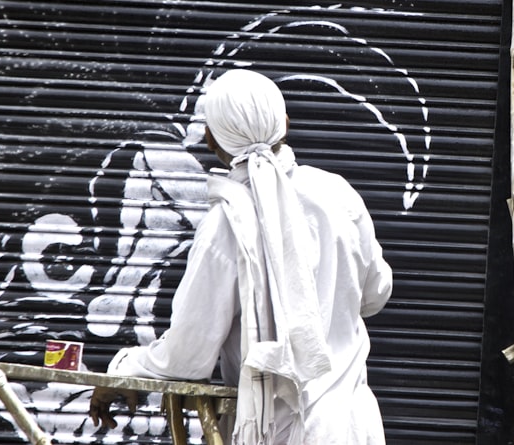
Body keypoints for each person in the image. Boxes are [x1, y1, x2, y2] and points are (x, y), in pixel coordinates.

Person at [88, 68, 393, 444]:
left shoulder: (226, 224)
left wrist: (121, 370)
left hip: (280, 432)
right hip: (353, 426)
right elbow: (375, 295)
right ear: (285, 123)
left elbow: (188, 355)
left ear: (211, 140)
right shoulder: (339, 194)